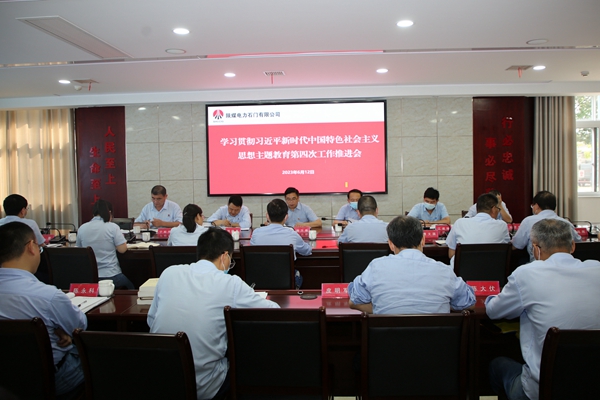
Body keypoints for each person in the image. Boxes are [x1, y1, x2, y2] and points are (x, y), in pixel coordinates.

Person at [148, 227, 279, 400]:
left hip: (161, 381)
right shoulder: (230, 283)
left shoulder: (169, 273)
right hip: (205, 386)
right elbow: (273, 312)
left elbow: (151, 320)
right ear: (224, 256)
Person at [486, 219, 600, 400]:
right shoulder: (597, 269)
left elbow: (493, 311)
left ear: (535, 249)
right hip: (593, 386)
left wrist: (490, 296)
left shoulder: (526, 274)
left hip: (539, 391)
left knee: (497, 365)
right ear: (572, 246)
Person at [0, 222, 87, 397]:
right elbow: (79, 327)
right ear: (31, 247)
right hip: (49, 380)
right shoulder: (48, 296)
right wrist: (59, 330)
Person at [348, 215, 475, 314]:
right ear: (423, 240)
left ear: (391, 244)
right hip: (436, 340)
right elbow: (469, 303)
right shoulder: (444, 271)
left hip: (389, 340)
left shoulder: (376, 267)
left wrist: (380, 310)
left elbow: (354, 301)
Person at [76, 199, 134, 289]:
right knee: (132, 288)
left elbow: (79, 251)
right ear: (109, 212)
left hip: (90, 277)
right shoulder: (112, 227)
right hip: (112, 276)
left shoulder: (82, 228)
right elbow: (122, 250)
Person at [511, 191, 581, 262]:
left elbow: (516, 245)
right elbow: (579, 242)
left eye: (532, 206)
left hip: (537, 265)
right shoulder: (566, 223)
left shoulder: (528, 221)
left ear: (537, 206)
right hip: (565, 265)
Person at [446, 193, 511, 260]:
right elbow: (507, 250)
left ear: (477, 209)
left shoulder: (459, 223)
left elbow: (451, 254)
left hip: (465, 266)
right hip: (492, 266)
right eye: (498, 209)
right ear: (494, 209)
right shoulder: (502, 226)